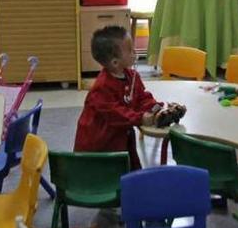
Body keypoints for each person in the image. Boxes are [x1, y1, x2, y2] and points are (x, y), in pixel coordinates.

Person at [74, 26, 185, 170]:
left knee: (129, 172)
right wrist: (141, 118)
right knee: (110, 176)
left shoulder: (132, 76)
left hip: (121, 138)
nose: (135, 52)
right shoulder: (101, 89)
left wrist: (155, 108)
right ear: (115, 62)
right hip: (99, 146)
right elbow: (117, 114)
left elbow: (141, 98)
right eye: (130, 50)